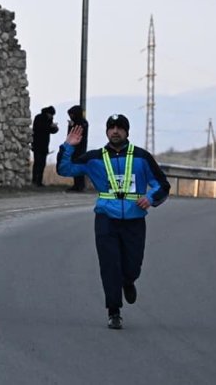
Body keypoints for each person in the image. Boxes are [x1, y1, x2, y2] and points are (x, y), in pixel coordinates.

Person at [56, 114, 170, 330]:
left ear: (127, 132)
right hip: (106, 219)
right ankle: (114, 311)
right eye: (111, 128)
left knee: (132, 265)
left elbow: (162, 185)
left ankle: (129, 281)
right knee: (109, 265)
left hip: (134, 219)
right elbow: (65, 169)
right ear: (107, 131)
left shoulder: (142, 157)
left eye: (120, 128)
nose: (115, 131)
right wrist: (68, 146)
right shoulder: (94, 158)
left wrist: (151, 198)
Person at [31, 106, 58, 187]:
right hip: (37, 144)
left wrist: (55, 128)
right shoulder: (39, 118)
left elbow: (51, 131)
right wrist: (50, 126)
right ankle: (35, 181)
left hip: (45, 145)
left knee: (42, 164)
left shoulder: (49, 119)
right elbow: (39, 128)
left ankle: (39, 181)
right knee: (37, 163)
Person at [66, 105, 88, 191]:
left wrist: (71, 126)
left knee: (78, 166)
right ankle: (78, 185)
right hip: (77, 147)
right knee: (76, 166)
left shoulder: (80, 123)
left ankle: (79, 185)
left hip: (78, 147)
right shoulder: (83, 122)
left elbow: (73, 134)